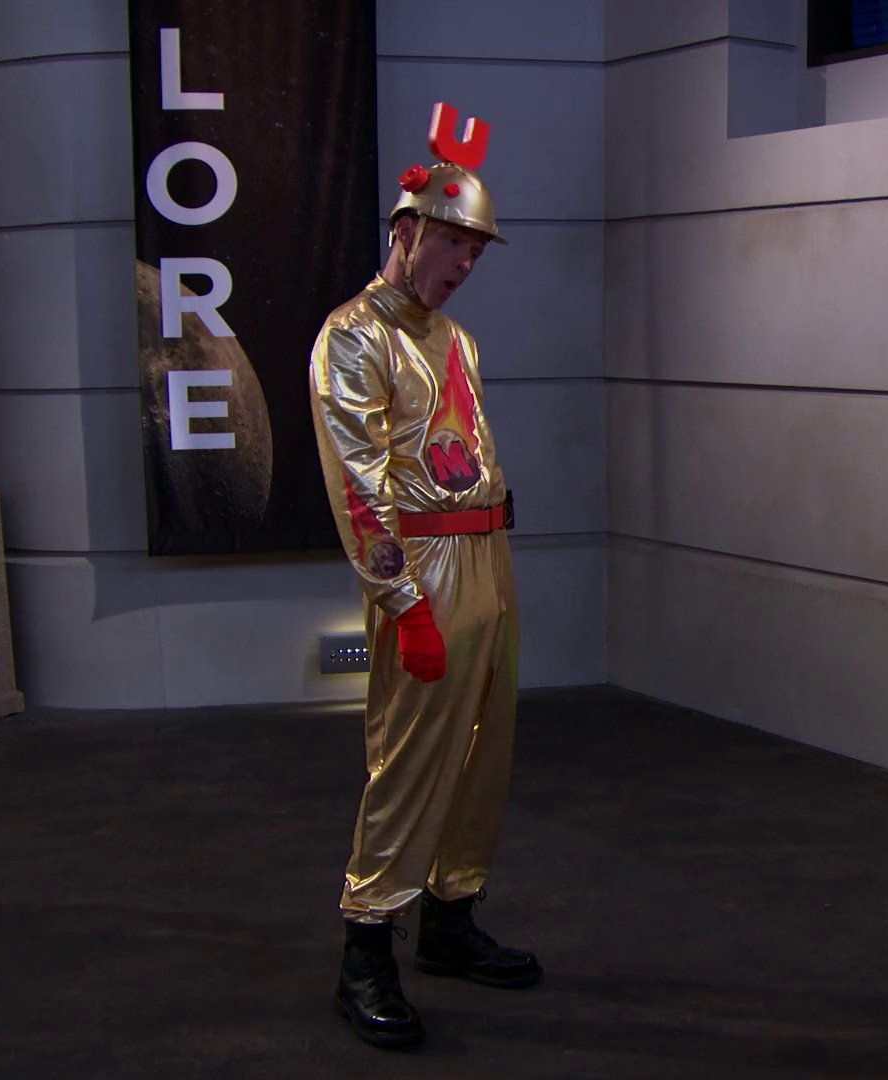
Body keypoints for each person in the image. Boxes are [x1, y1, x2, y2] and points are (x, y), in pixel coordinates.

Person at [309, 110, 539, 1050]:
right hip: (427, 567)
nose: (465, 263)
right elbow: (359, 487)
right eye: (453, 242)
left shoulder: (456, 340)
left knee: (484, 751)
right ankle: (367, 944)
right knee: (410, 758)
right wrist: (403, 602)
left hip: (488, 558)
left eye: (476, 250)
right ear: (406, 231)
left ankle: (451, 912)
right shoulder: (354, 336)